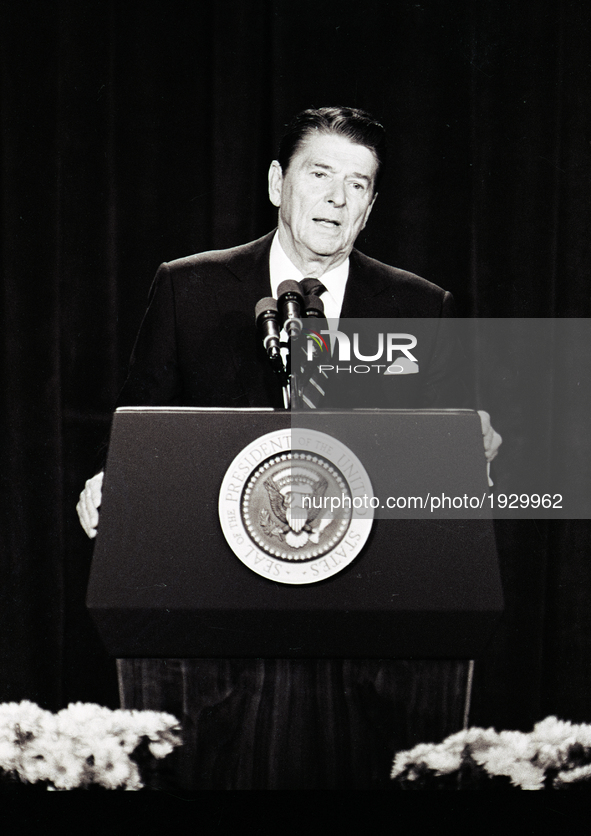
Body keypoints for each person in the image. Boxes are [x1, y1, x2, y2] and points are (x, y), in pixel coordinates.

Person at [77, 104, 501, 536]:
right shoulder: (187, 287)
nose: (337, 197)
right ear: (278, 183)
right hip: (216, 549)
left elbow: (447, 459)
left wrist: (469, 448)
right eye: (319, 175)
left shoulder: (423, 308)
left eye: (357, 184)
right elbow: (136, 426)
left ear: (369, 209)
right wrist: (110, 479)